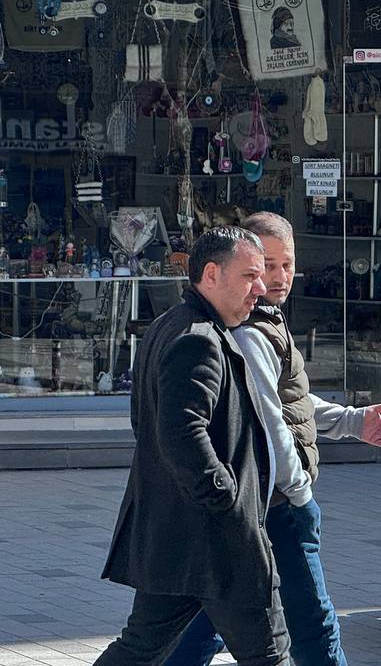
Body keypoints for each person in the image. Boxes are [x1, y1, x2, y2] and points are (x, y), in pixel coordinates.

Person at [163, 212, 381, 666]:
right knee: (314, 626)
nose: (277, 278)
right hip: (276, 505)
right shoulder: (252, 330)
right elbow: (270, 424)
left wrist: (352, 421)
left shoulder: (266, 319)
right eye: (263, 268)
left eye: (286, 265)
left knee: (205, 621)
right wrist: (298, 494)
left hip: (254, 503)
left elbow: (289, 402)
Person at [95, 227, 288, 666]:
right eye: (250, 276)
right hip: (217, 541)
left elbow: (146, 423)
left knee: (141, 647)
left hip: (179, 539)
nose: (260, 289)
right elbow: (181, 431)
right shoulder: (198, 337)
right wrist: (225, 495)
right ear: (212, 273)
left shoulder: (174, 326)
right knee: (270, 654)